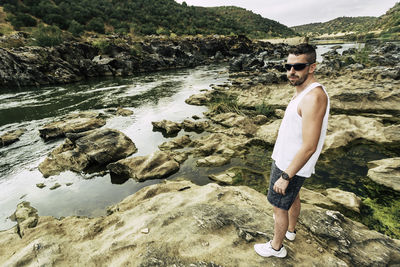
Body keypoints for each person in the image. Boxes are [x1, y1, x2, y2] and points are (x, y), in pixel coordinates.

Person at [254, 43, 330, 258]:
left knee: (278, 207)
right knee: (292, 198)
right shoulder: (303, 92)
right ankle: (290, 231)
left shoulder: (313, 97)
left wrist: (286, 176)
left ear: (312, 67)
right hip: (285, 160)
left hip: (290, 165)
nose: (291, 72)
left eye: (298, 67)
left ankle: (276, 247)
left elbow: (309, 145)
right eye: (288, 66)